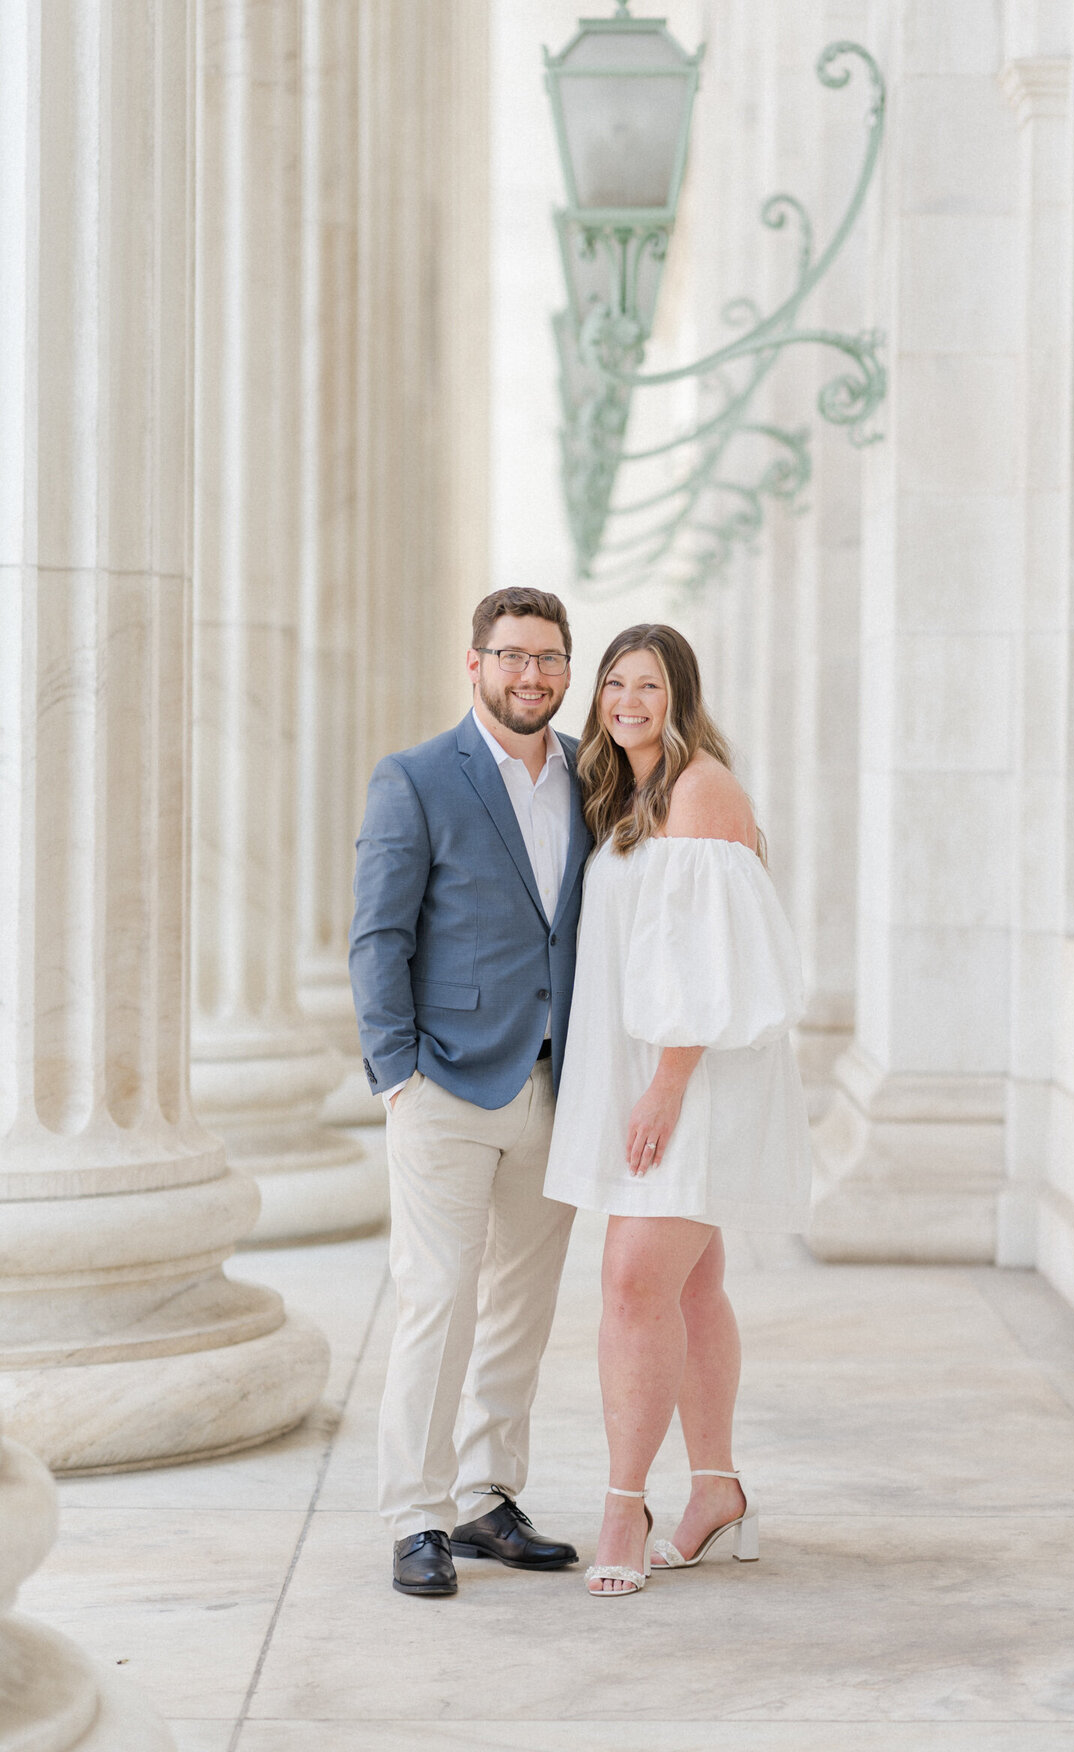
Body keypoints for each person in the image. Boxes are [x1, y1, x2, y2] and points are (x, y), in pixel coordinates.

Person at [543, 622, 810, 1596]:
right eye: (613, 684)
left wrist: (665, 1082)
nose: (626, 702)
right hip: (650, 1072)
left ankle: (624, 1505)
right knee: (691, 1288)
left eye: (647, 685)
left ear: (680, 695)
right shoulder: (618, 793)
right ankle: (716, 1491)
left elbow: (710, 964)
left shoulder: (702, 790)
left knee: (632, 1283)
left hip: (692, 1075)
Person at [349, 586, 591, 1599]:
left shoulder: (594, 774)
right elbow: (378, 934)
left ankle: (491, 1498)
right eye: (511, 656)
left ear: (566, 669)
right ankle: (416, 1513)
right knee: (437, 1296)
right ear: (475, 663)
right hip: (445, 1080)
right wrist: (396, 1071)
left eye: (547, 658)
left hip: (560, 1080)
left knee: (521, 1305)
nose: (530, 675)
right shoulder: (415, 779)